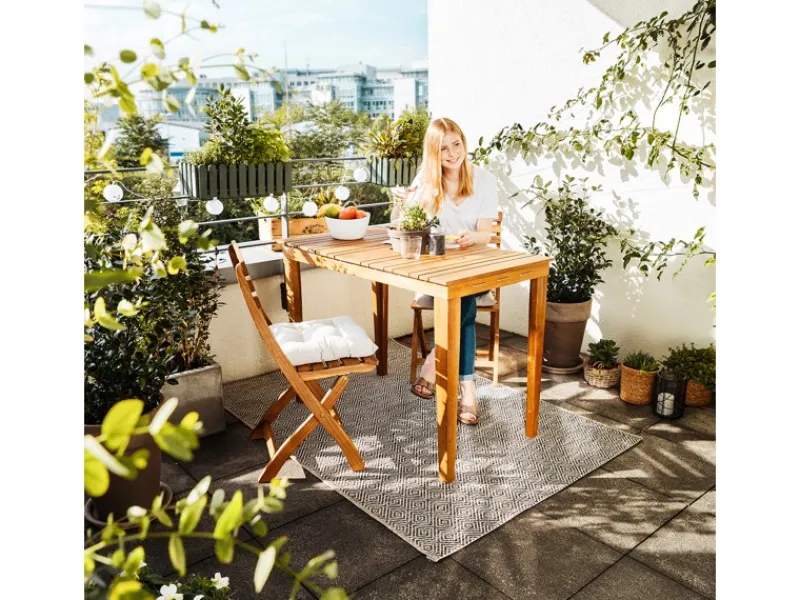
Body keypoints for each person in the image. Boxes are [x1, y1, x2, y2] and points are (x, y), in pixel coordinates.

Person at [390, 117, 499, 425]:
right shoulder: (426, 177)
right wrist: (400, 204)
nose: (453, 153)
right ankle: (468, 389)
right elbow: (403, 224)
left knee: (462, 299)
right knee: (460, 306)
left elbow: (486, 235)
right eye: (443, 148)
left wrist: (471, 237)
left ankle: (442, 371)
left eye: (457, 144)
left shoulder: (484, 180)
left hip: (474, 268)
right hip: (435, 271)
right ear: (433, 153)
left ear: (464, 143)